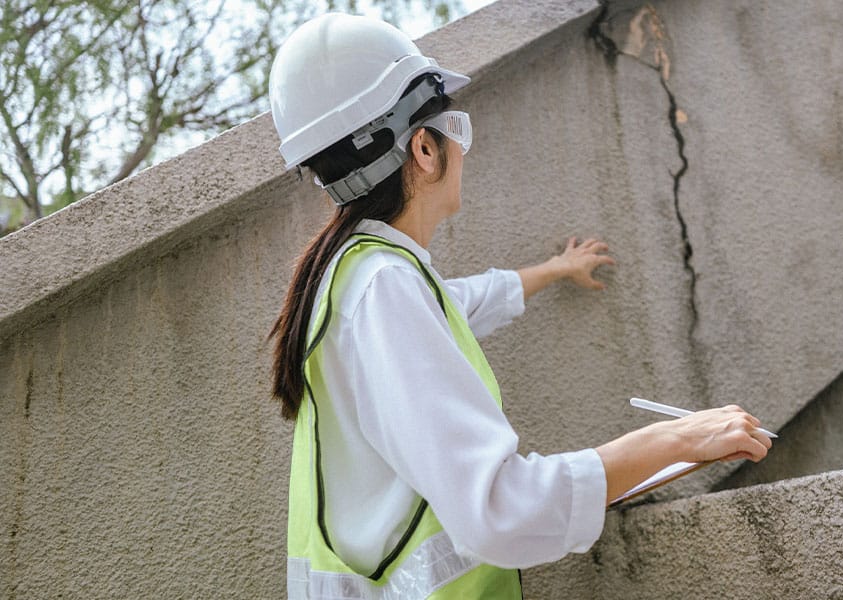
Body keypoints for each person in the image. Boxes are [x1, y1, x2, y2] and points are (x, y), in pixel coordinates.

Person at [267, 13, 772, 600]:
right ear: (424, 149)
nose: (463, 146)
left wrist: (556, 270)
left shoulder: (357, 277)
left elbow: (463, 302)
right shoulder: (383, 288)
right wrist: (678, 440)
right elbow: (499, 512)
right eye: (454, 127)